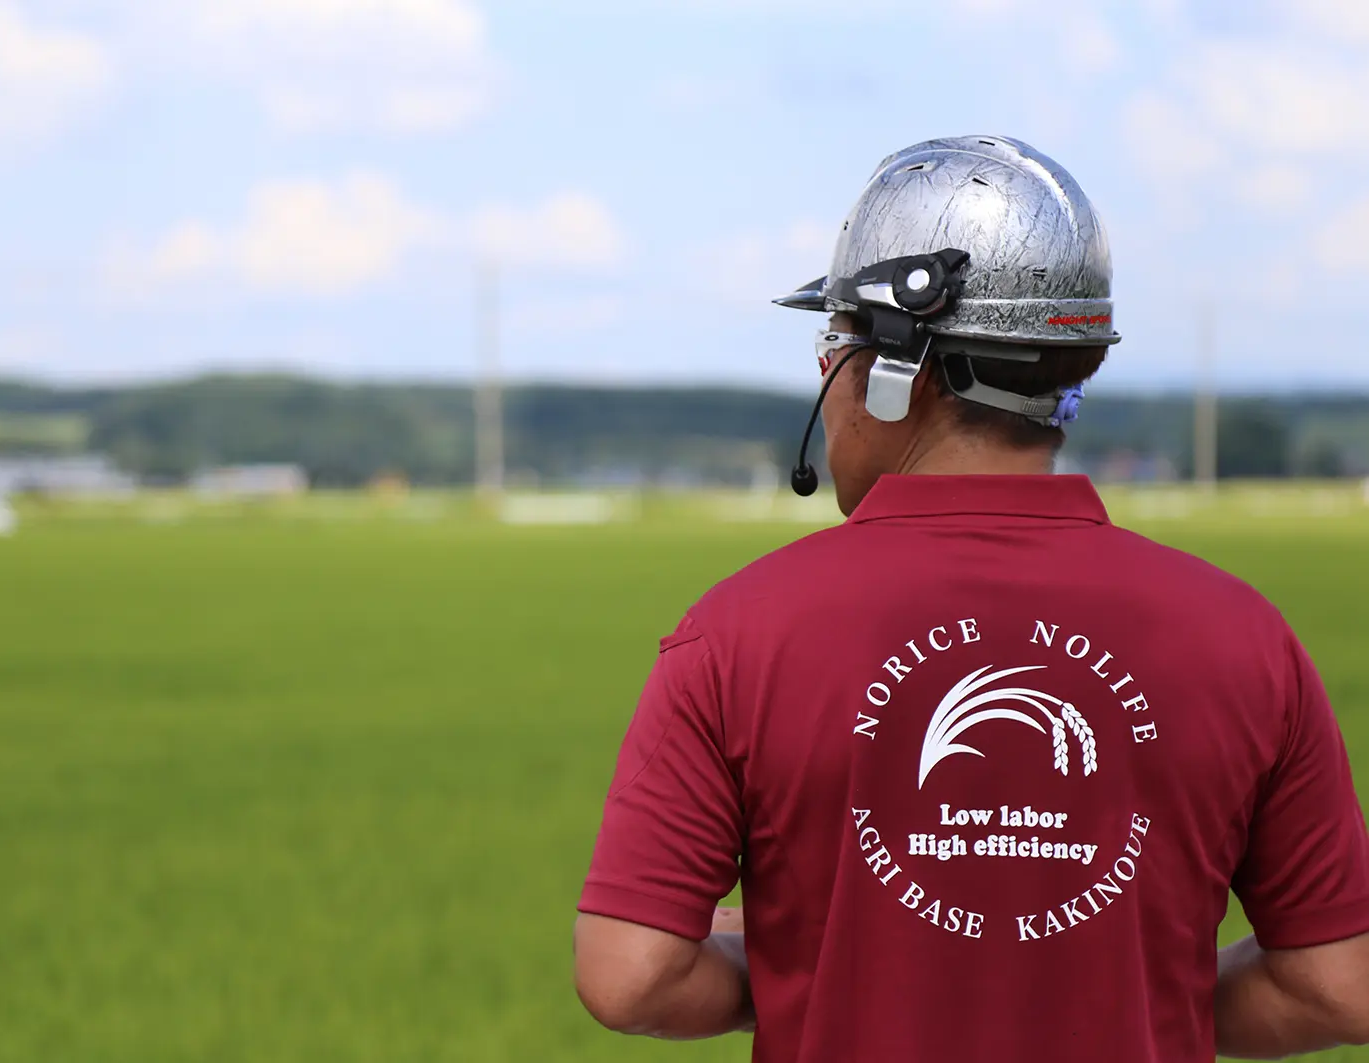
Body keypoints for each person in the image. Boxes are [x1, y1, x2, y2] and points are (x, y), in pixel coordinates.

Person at [571, 135, 1369, 1062]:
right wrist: (1142, 990)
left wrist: (816, 961)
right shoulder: (1245, 638)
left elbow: (632, 972)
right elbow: (1336, 984)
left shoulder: (735, 635)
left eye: (830, 346)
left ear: (890, 369)